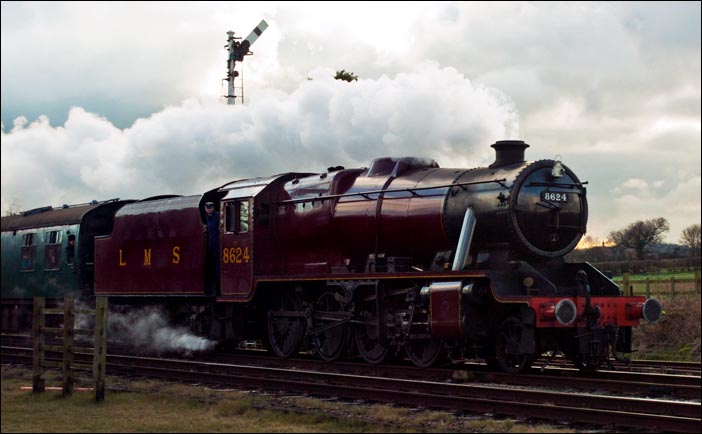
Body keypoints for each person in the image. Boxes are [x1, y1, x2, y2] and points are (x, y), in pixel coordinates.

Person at [204, 202, 220, 293]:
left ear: (213, 208)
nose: (209, 209)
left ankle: (217, 290)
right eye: (207, 208)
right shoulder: (207, 217)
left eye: (211, 207)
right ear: (205, 209)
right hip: (211, 245)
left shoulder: (217, 216)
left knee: (217, 269)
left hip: (218, 245)